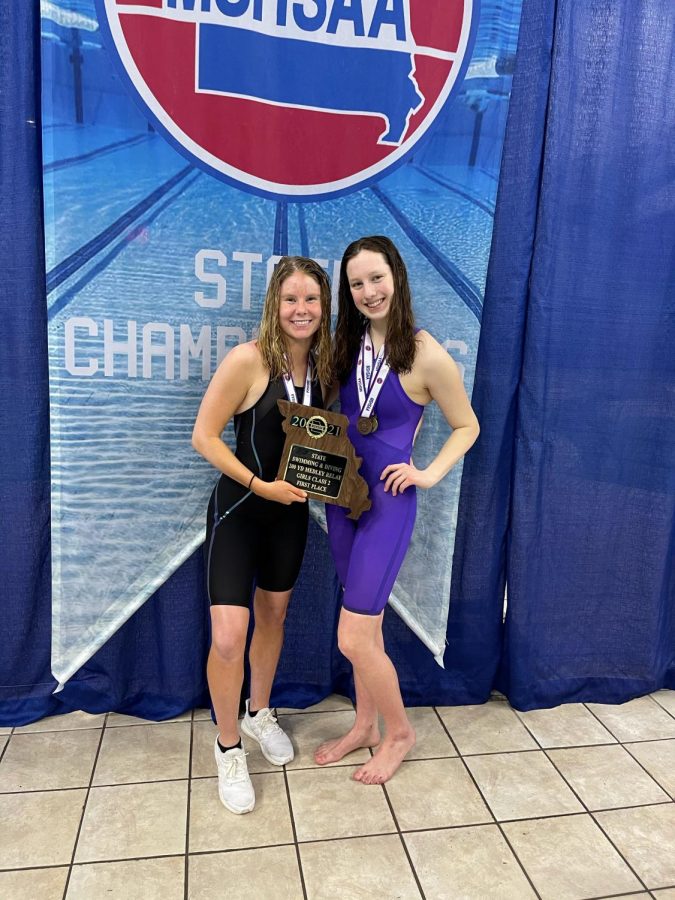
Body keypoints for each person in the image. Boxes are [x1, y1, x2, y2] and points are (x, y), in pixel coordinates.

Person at [316, 235, 480, 784]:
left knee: (353, 636)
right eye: (356, 283)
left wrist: (428, 473)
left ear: (397, 277)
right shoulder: (347, 344)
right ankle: (364, 723)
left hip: (388, 507)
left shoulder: (423, 352)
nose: (368, 291)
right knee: (368, 629)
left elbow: (468, 425)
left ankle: (400, 732)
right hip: (342, 503)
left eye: (376, 278)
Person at [192, 256, 332, 814]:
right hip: (240, 513)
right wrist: (260, 483)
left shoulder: (326, 370)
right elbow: (204, 436)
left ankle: (260, 712)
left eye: (312, 300)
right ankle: (228, 747)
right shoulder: (248, 361)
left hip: (290, 518)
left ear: (325, 307)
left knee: (273, 618)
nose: (301, 310)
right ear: (275, 303)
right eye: (291, 299)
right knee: (229, 636)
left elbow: (338, 438)